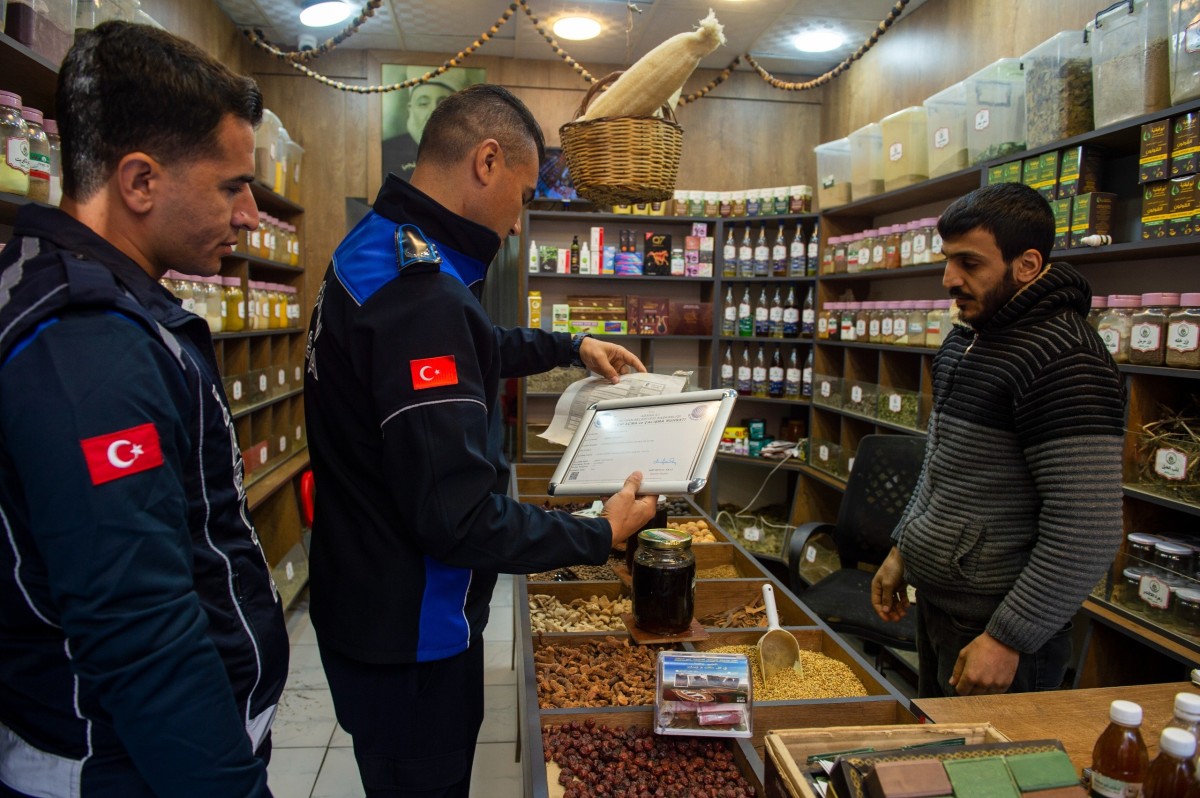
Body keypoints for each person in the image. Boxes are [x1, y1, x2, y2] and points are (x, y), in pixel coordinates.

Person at [304, 83, 659, 797]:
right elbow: (458, 519)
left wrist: (568, 344)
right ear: (487, 162)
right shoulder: (421, 296)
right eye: (524, 196)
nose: (520, 224)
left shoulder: (377, 248)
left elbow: (467, 343)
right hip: (413, 637)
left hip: (360, 603)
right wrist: (598, 533)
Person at [0, 22, 287, 798]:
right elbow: (140, 631)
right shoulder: (84, 347)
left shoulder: (99, 303)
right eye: (232, 185)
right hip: (126, 772)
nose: (251, 213)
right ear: (139, 182)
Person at [870, 182, 1124, 698]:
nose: (949, 279)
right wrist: (904, 548)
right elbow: (942, 463)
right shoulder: (969, 336)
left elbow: (1088, 527)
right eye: (947, 261)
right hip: (944, 606)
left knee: (977, 775)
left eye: (969, 263)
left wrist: (1008, 639)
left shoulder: (1065, 358)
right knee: (934, 757)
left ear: (1026, 265)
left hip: (998, 631)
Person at [381, 69, 467, 182]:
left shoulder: (468, 150)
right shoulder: (387, 151)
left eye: (442, 104)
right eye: (423, 104)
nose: (433, 111)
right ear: (410, 109)